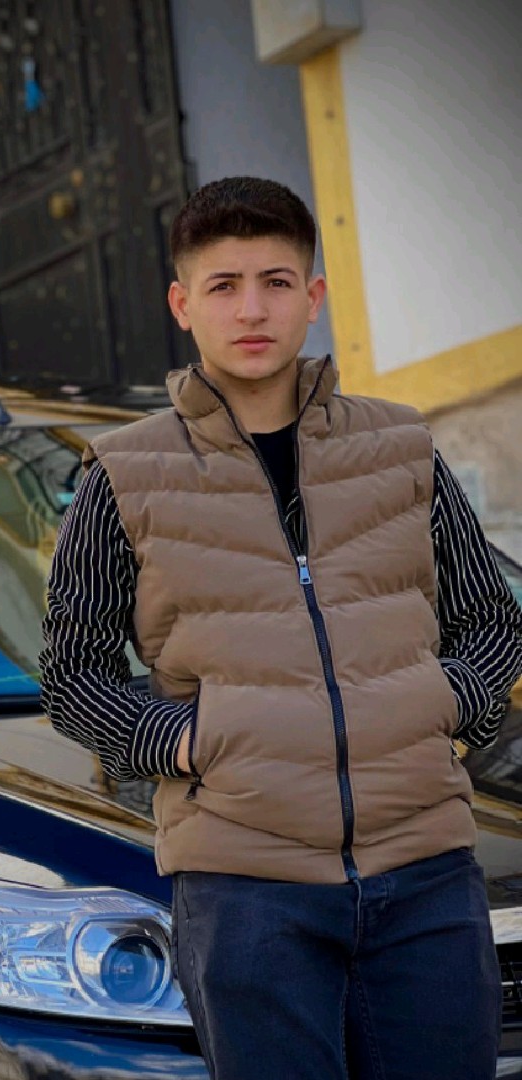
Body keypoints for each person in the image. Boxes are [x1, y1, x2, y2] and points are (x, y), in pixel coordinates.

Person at [39, 176, 522, 1080]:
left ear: (314, 296)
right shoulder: (125, 475)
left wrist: (445, 706)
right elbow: (73, 676)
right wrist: (187, 743)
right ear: (183, 304)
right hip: (245, 894)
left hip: (426, 877)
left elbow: (493, 620)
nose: (252, 309)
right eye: (223, 286)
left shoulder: (402, 448)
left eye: (275, 281)